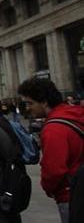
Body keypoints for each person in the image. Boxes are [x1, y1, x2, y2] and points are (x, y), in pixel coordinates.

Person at [18, 78, 84, 223]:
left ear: (44, 102)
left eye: (30, 103)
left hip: (70, 194)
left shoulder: (53, 129)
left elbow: (54, 170)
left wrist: (49, 188)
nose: (28, 108)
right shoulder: (76, 114)